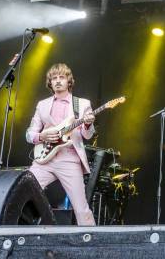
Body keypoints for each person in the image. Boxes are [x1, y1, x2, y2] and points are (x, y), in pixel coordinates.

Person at [26, 63, 96, 226]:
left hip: (69, 159)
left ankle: (92, 241)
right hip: (44, 160)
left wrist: (87, 124)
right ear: (50, 83)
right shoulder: (42, 105)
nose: (57, 81)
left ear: (69, 81)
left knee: (81, 208)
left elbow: (87, 135)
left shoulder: (82, 104)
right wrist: (41, 136)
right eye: (54, 78)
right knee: (23, 192)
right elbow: (29, 133)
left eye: (62, 77)